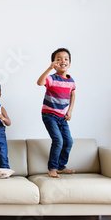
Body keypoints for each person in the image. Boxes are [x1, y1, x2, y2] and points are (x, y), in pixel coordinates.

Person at [36, 48, 76, 178]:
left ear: (69, 63)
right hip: (49, 115)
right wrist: (49, 69)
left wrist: (69, 111)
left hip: (62, 117)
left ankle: (61, 166)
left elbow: (72, 94)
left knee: (68, 141)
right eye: (58, 59)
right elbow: (39, 82)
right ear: (54, 63)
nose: (63, 61)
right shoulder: (52, 79)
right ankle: (52, 168)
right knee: (58, 140)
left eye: (66, 59)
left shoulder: (71, 81)